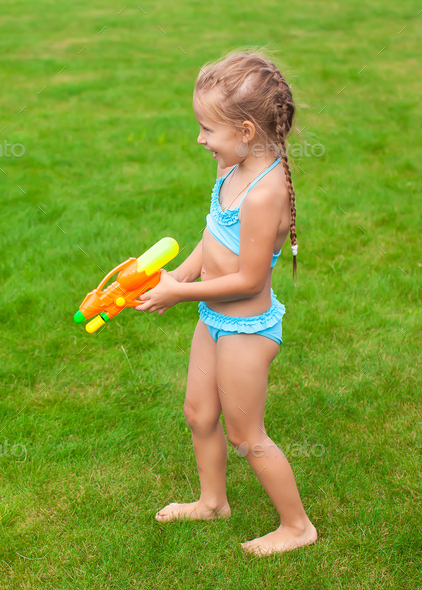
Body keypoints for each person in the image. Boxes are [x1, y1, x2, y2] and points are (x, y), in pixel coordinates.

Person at [134, 50, 318, 556]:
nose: (200, 139)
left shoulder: (264, 193)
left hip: (245, 329)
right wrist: (179, 276)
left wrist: (180, 293)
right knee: (198, 413)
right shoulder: (230, 167)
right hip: (212, 319)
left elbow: (248, 278)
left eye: (206, 129)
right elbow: (213, 236)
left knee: (246, 434)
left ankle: (297, 526)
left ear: (244, 131)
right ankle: (213, 502)